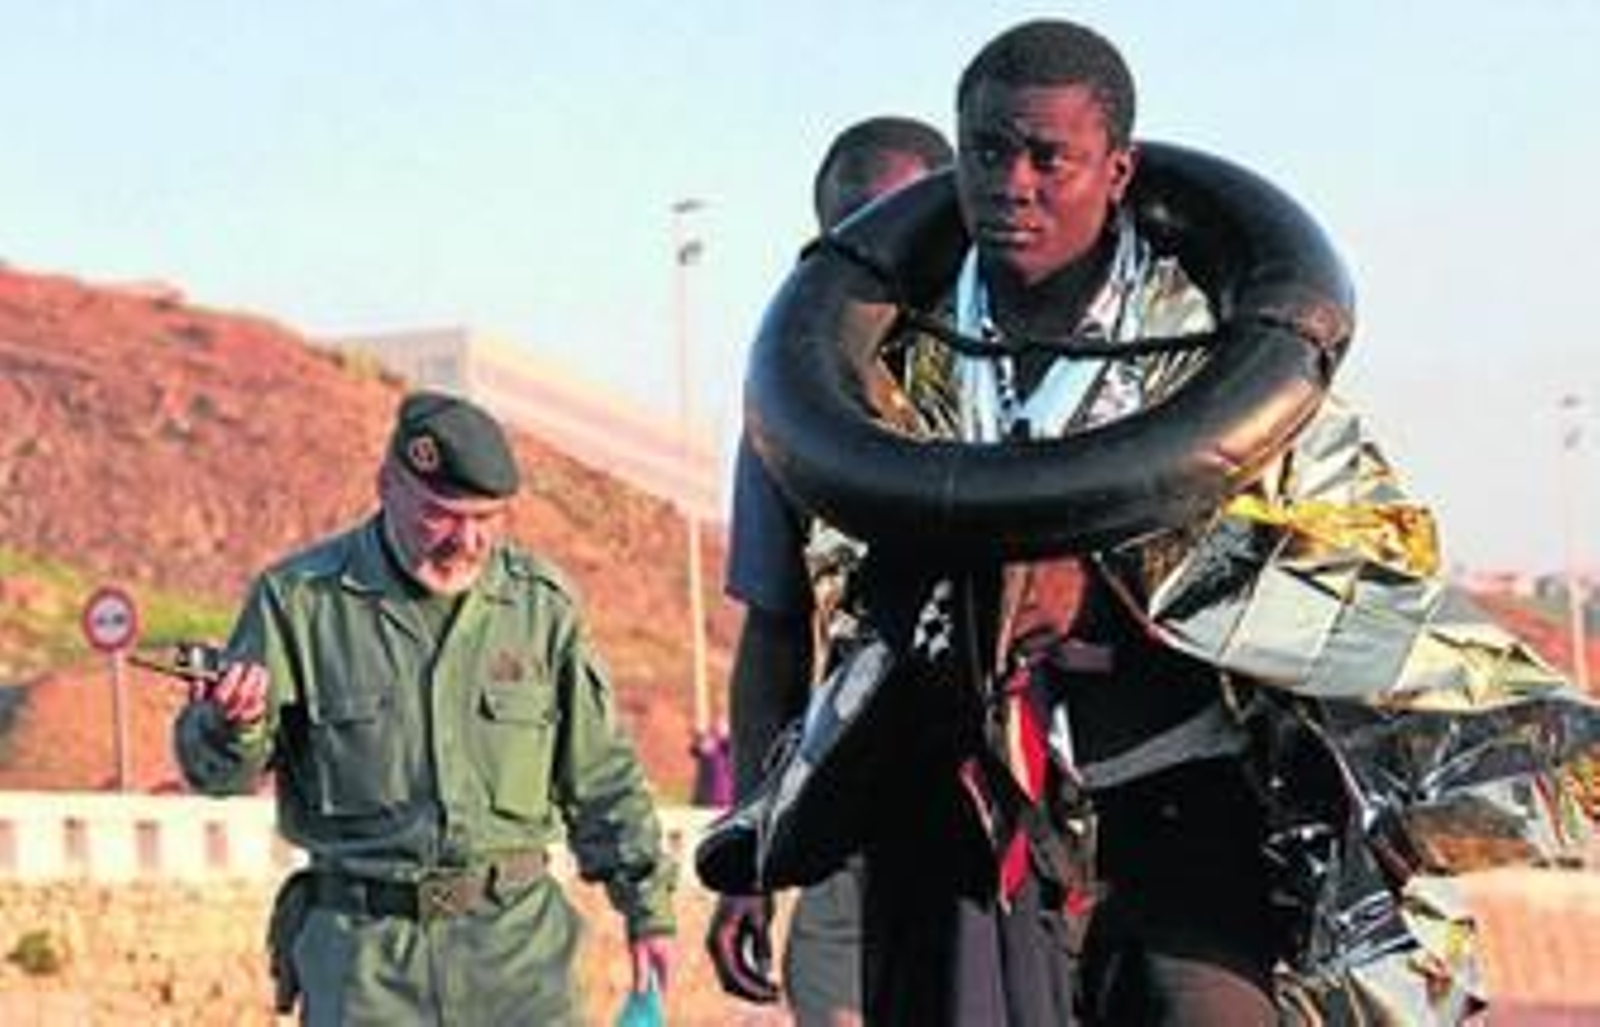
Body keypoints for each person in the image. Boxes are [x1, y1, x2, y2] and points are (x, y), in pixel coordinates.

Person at [734, 16, 1600, 1026]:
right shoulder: (872, 365)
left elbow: (1339, 561)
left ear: (1117, 169)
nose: (1012, 184)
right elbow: (793, 615)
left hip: (1174, 797)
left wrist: (1107, 588)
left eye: (1047, 157)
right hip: (954, 815)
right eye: (987, 152)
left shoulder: (1222, 352)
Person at [173, 391, 676, 1025]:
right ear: (386, 485)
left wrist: (648, 910)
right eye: (440, 515)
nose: (467, 541)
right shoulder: (299, 602)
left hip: (517, 965)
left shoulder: (541, 609)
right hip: (366, 970)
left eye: (487, 518)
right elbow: (216, 778)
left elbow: (602, 776)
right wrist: (231, 728)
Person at [707, 116, 954, 1027]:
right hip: (859, 801)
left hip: (1030, 810)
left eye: (904, 220)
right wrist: (752, 850)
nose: (882, 253)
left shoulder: (1045, 367)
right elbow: (773, 633)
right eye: (855, 236)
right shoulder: (795, 409)